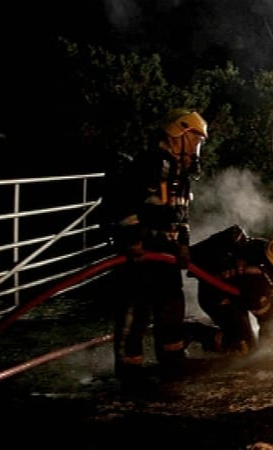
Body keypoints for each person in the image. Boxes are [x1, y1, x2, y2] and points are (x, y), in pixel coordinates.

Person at [109, 108, 208, 388]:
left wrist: (184, 246)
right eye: (195, 140)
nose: (197, 149)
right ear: (179, 133)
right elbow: (124, 203)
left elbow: (181, 216)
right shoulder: (152, 164)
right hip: (142, 249)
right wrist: (133, 240)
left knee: (171, 305)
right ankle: (129, 372)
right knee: (135, 309)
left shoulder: (180, 174)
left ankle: (172, 362)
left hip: (165, 250)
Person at [186, 225, 273, 355]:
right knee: (244, 348)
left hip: (241, 291)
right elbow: (267, 314)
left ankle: (269, 333)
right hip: (218, 298)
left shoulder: (265, 248)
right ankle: (193, 331)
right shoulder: (256, 278)